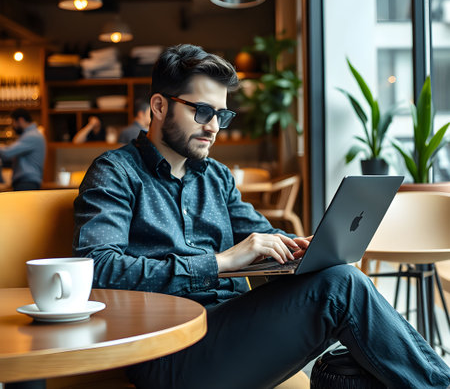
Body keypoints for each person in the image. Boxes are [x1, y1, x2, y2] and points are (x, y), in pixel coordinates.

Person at [73, 44, 450, 389]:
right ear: (158, 106)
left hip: (230, 329)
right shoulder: (115, 172)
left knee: (352, 347)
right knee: (343, 287)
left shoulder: (216, 177)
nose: (214, 127)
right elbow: (97, 270)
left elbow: (261, 234)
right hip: (167, 351)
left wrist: (301, 249)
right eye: (202, 111)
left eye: (222, 114)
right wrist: (218, 263)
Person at [0, 108, 46, 191]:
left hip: (27, 183)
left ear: (20, 120)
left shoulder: (31, 136)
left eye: (13, 122)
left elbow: (7, 153)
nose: (13, 126)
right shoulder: (32, 134)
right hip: (27, 183)